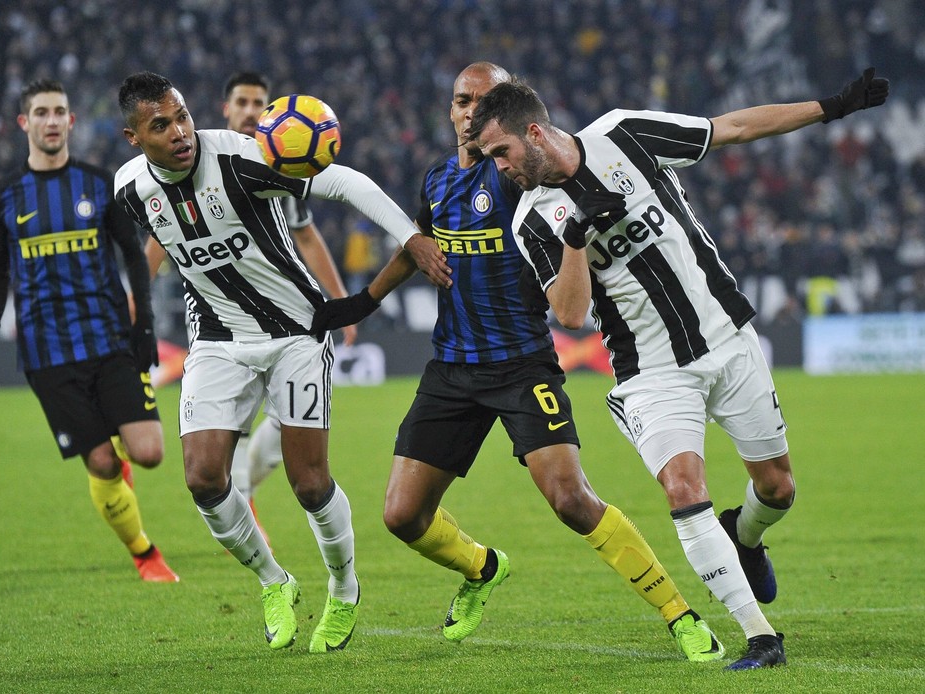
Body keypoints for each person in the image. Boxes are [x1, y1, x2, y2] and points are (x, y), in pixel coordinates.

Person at [467, 68, 889, 670]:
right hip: (650, 369)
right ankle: (760, 637)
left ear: (533, 132)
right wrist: (578, 236)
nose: (499, 167)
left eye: (501, 152)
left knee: (778, 487)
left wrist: (834, 105)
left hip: (727, 335)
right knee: (683, 490)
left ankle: (745, 536)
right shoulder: (533, 220)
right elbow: (570, 313)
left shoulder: (626, 134)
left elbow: (733, 127)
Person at [311, 62, 723, 661]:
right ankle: (483, 568)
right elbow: (417, 246)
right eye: (461, 101)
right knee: (401, 515)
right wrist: (362, 303)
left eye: (483, 103)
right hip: (451, 367)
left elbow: (561, 184)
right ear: (450, 110)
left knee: (571, 500)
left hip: (522, 365)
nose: (470, 112)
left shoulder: (516, 180)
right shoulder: (435, 182)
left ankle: (679, 614)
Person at [114, 71, 451, 653]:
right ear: (133, 137)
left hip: (295, 332)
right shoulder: (129, 189)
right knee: (201, 477)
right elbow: (158, 242)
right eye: (160, 125)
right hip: (218, 340)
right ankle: (275, 581)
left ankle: (344, 590)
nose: (180, 132)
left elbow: (344, 183)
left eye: (184, 116)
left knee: (309, 483)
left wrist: (411, 236)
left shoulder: (243, 159)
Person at [0, 79, 178, 583]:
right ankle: (145, 554)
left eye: (60, 111)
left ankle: (121, 444)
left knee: (148, 453)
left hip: (109, 338)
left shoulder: (100, 184)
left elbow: (132, 253)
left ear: (71, 121)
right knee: (102, 463)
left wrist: (143, 323)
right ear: (26, 124)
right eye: (42, 112)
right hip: (48, 352)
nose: (52, 120)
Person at [141, 71, 358, 548]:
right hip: (222, 326)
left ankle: (248, 487)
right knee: (217, 447)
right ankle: (241, 493)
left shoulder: (279, 162)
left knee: (291, 437)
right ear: (224, 109)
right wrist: (137, 304)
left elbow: (305, 234)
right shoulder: (190, 167)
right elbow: (160, 236)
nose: (249, 110)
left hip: (287, 321)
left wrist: (340, 299)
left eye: (259, 103)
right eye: (241, 101)